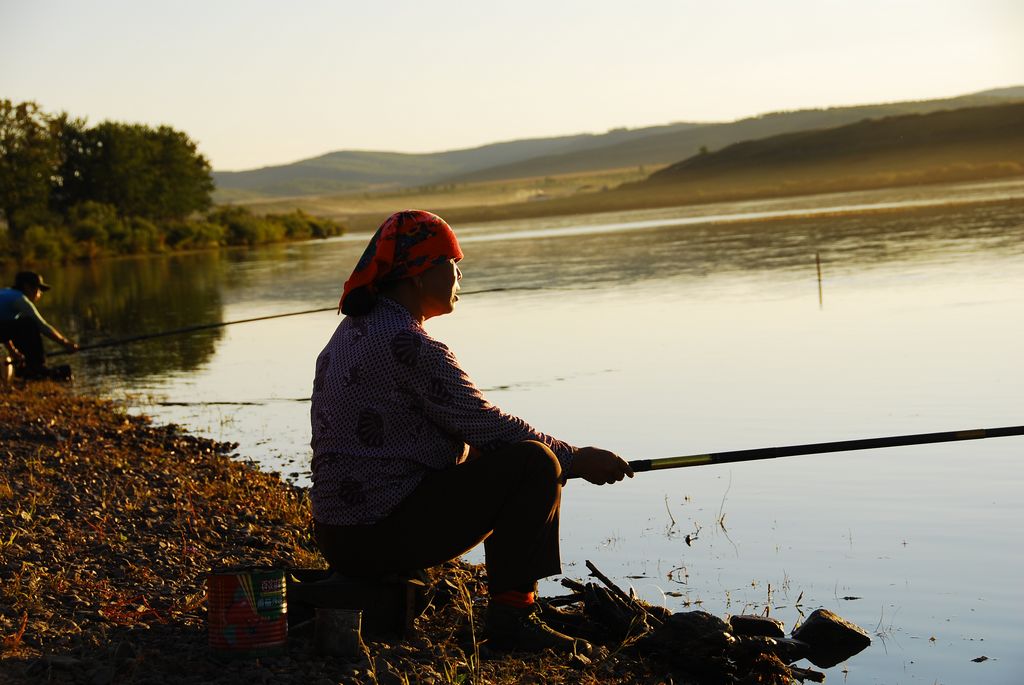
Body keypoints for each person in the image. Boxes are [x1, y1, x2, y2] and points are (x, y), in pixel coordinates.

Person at [310, 210, 634, 653]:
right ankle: (513, 617)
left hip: (338, 536)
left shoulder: (348, 334)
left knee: (497, 455)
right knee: (536, 462)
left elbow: (471, 436)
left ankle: (522, 602)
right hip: (376, 534)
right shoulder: (410, 345)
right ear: (420, 274)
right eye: (452, 263)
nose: (460, 274)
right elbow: (496, 428)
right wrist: (577, 458)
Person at [0, 271, 78, 380]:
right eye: (38, 289)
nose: (40, 294)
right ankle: (36, 368)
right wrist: (66, 343)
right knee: (29, 324)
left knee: (22, 324)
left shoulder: (6, 293)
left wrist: (12, 351)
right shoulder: (20, 299)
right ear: (27, 287)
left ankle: (26, 367)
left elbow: (5, 329)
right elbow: (42, 326)